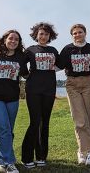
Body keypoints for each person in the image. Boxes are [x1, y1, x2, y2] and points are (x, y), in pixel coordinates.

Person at [0, 30, 29, 173]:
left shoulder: (21, 57)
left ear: (19, 42)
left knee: (8, 131)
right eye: (11, 38)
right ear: (5, 39)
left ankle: (2, 162)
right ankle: (10, 163)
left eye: (16, 39)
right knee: (2, 128)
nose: (13, 41)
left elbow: (26, 74)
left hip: (12, 98)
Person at [21, 22, 61, 168]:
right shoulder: (30, 50)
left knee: (45, 123)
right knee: (35, 122)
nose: (43, 36)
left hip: (49, 90)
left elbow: (61, 64)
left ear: (50, 36)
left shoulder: (53, 50)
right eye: (41, 34)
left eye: (46, 34)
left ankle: (41, 156)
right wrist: (27, 75)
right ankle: (26, 157)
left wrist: (49, 71)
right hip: (33, 90)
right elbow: (20, 65)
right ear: (36, 35)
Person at [60, 24, 90, 165]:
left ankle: (89, 152)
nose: (77, 35)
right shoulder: (67, 49)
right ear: (72, 35)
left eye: (80, 32)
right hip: (73, 84)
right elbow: (57, 65)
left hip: (88, 83)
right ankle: (84, 151)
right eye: (74, 33)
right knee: (80, 119)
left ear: (85, 33)